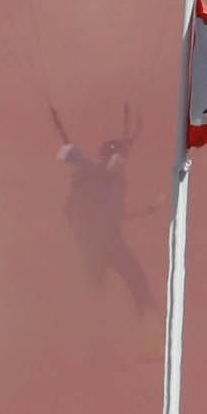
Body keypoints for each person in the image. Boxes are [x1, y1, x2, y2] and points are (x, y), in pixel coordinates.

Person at [49, 105, 155, 310]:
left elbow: (118, 213)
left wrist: (145, 211)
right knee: (98, 289)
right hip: (93, 244)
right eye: (119, 158)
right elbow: (67, 158)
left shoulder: (115, 180)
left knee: (135, 280)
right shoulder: (89, 174)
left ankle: (146, 316)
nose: (123, 162)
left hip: (109, 242)